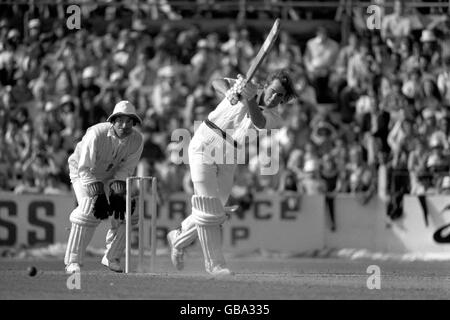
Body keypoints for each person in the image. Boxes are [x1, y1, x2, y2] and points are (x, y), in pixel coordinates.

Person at [167, 69, 297, 276]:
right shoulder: (247, 84)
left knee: (217, 210)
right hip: (205, 141)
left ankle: (178, 237)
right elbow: (216, 80)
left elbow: (259, 122)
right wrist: (229, 91)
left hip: (230, 154)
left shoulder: (274, 116)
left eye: (280, 95)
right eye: (273, 91)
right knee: (208, 204)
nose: (274, 97)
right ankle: (215, 265)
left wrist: (249, 98)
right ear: (266, 85)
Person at [64, 100, 144, 274]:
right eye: (120, 121)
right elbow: (84, 167)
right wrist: (98, 193)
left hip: (110, 176)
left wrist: (117, 191)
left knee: (129, 213)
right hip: (82, 173)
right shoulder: (96, 133)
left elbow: (126, 169)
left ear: (134, 123)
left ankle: (111, 257)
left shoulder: (137, 140)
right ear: (113, 121)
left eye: (129, 121)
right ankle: (72, 261)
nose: (125, 125)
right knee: (89, 211)